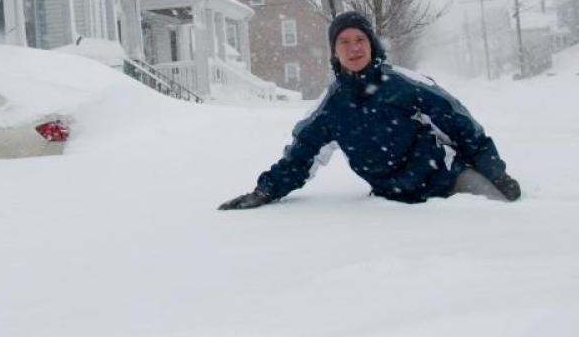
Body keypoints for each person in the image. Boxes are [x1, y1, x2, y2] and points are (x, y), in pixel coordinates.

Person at [219, 11, 521, 210]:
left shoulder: (406, 85)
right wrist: (265, 191)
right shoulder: (333, 107)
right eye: (344, 42)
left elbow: (464, 130)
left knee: (504, 210)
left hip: (449, 185)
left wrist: (497, 174)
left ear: (372, 45)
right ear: (335, 52)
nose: (354, 48)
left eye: (360, 40)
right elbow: (301, 157)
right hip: (390, 205)